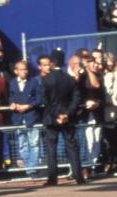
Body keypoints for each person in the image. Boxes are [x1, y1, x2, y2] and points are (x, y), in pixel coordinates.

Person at [38, 54, 84, 187]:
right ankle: (78, 176)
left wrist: (57, 115)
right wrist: (67, 114)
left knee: (51, 148)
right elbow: (76, 99)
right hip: (67, 117)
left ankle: (52, 178)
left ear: (51, 63)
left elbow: (45, 101)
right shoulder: (69, 79)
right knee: (72, 147)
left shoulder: (46, 79)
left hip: (52, 118)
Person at [8, 59, 42, 179]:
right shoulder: (12, 83)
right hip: (18, 118)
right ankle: (29, 167)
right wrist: (12, 103)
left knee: (34, 144)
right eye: (22, 70)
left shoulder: (34, 82)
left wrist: (28, 106)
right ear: (16, 71)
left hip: (31, 117)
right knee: (22, 145)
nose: (25, 72)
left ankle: (32, 169)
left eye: (26, 69)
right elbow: (10, 96)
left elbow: (39, 98)